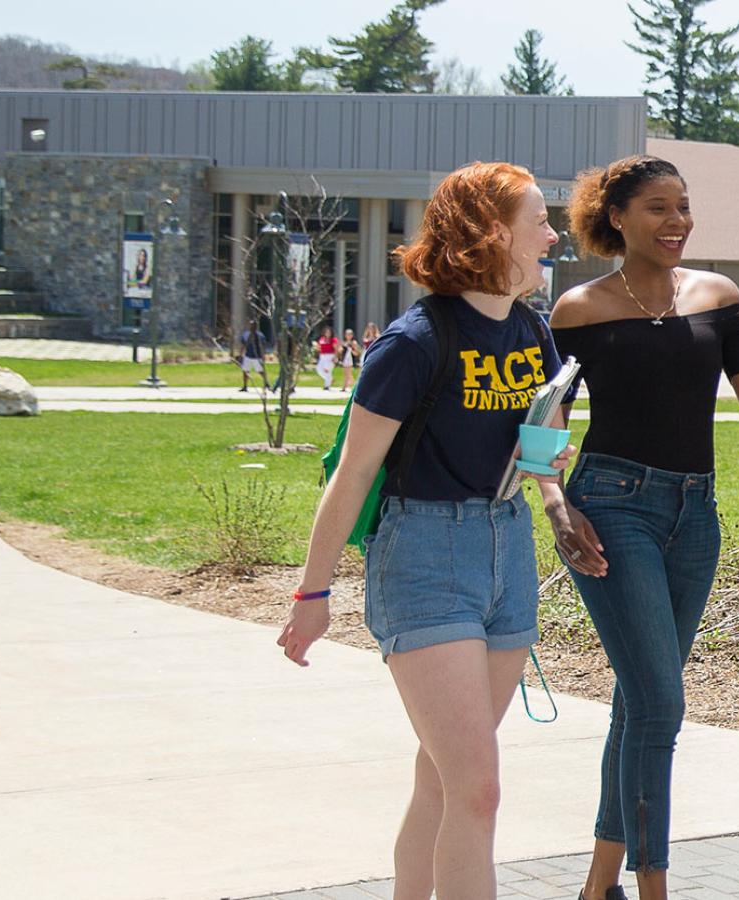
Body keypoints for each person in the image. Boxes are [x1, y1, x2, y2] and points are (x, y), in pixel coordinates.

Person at [544, 155, 739, 900]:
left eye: (683, 207)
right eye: (658, 208)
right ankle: (651, 883)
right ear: (617, 217)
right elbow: (544, 426)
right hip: (611, 506)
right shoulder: (577, 310)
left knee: (641, 697)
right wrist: (557, 506)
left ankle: (597, 886)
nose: (677, 222)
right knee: (660, 701)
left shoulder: (717, 297)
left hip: (696, 515)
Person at [276, 161, 572, 900]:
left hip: (506, 548)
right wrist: (313, 593)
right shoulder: (411, 343)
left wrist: (553, 483)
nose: (552, 233)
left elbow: (539, 446)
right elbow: (351, 474)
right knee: (479, 789)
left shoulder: (535, 331)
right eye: (539, 219)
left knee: (445, 783)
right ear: (495, 232)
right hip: (423, 556)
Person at [237, 319, 266, 392]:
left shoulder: (260, 335)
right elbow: (243, 345)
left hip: (257, 356)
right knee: (245, 371)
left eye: (254, 325)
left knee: (260, 371)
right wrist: (240, 355)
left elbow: (262, 346)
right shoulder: (246, 334)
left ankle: (266, 383)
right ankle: (245, 386)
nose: (252, 327)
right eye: (251, 325)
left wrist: (263, 356)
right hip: (248, 356)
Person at [315, 325, 339, 390]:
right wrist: (317, 347)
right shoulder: (322, 339)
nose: (328, 333)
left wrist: (335, 357)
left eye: (329, 332)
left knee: (327, 370)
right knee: (319, 369)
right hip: (322, 356)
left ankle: (326, 386)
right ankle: (330, 379)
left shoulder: (333, 339)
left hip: (330, 356)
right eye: (326, 332)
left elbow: (336, 349)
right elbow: (319, 347)